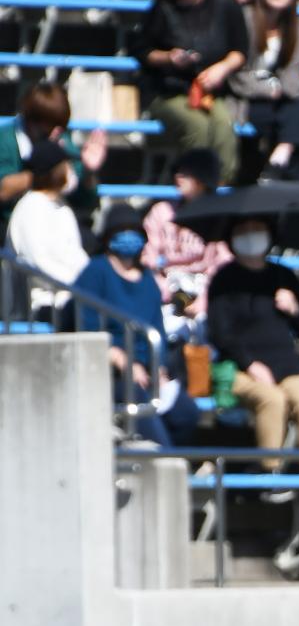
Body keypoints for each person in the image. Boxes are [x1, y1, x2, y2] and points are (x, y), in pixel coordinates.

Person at [206, 215, 299, 479]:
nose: (251, 234)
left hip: (286, 365)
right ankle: (268, 471)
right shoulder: (224, 280)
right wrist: (250, 364)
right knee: (272, 400)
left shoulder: (283, 275)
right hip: (239, 367)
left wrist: (294, 309)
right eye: (243, 229)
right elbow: (220, 332)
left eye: (257, 229)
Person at [73, 207, 200, 449]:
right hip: (111, 374)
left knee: (187, 413)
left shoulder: (147, 279)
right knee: (153, 432)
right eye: (121, 231)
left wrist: (158, 368)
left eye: (134, 231)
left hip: (147, 373)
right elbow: (85, 325)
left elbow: (157, 329)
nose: (129, 237)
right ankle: (167, 466)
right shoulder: (96, 271)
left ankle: (174, 466)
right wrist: (121, 360)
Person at [133, 0, 248, 183]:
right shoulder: (163, 8)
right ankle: (194, 184)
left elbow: (239, 50)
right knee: (196, 127)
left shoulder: (225, 3)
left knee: (224, 126)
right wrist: (169, 57)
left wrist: (221, 68)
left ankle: (220, 186)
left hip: (208, 90)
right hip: (167, 91)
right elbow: (142, 50)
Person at [231, 0, 299, 183]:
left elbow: (292, 70)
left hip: (279, 95)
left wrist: (282, 90)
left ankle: (284, 149)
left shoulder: (298, 26)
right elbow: (236, 72)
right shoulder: (244, 19)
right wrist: (266, 90)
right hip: (246, 96)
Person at [0, 79, 104, 240]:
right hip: (8, 230)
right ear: (31, 121)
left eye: (61, 126)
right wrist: (47, 174)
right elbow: (3, 190)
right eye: (50, 126)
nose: (56, 132)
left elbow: (84, 200)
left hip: (52, 227)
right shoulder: (5, 140)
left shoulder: (61, 139)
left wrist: (88, 171)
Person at [144, 149, 231, 317]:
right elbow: (148, 256)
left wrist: (204, 299)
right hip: (169, 285)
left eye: (186, 173)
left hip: (206, 286)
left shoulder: (218, 215)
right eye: (177, 171)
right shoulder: (162, 211)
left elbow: (222, 263)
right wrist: (161, 285)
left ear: (203, 177)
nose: (178, 176)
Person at [5, 140, 89, 303]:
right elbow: (36, 261)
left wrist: (90, 279)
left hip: (71, 298)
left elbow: (75, 253)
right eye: (67, 166)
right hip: (41, 304)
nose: (71, 172)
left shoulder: (62, 206)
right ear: (55, 171)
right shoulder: (31, 207)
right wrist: (76, 284)